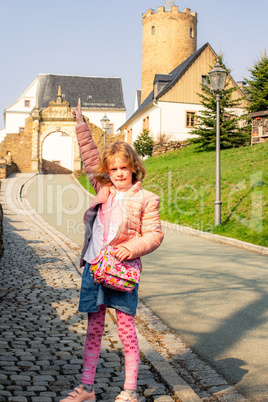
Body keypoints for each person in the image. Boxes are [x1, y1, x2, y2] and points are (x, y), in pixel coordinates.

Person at [60, 103, 164, 402]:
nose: (118, 173)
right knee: (93, 330)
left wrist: (128, 249)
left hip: (121, 271)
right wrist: (80, 124)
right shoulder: (103, 188)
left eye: (123, 167)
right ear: (108, 172)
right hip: (95, 268)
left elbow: (155, 235)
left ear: (134, 168)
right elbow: (90, 155)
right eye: (113, 169)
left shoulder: (147, 199)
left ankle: (129, 390)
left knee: (126, 331)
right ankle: (87, 389)